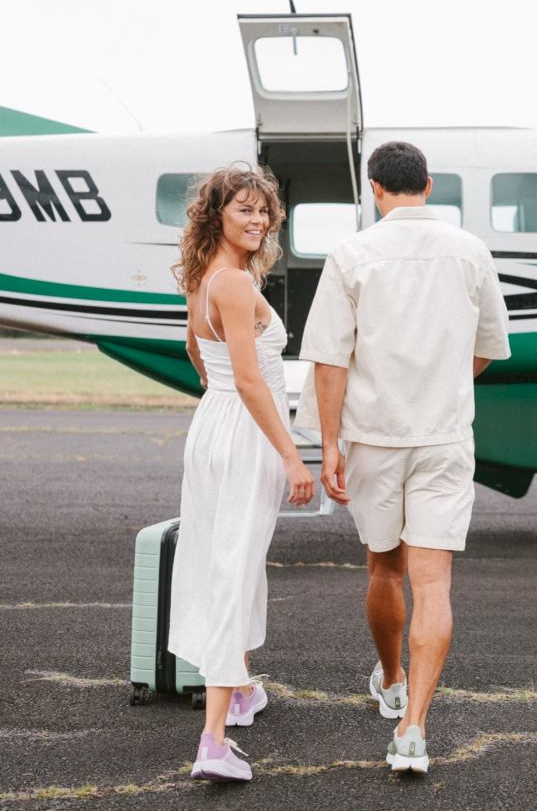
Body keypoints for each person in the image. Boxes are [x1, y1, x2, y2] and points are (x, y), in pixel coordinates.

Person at [295, 141, 510, 773]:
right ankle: (414, 728)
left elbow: (330, 358)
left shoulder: (352, 254)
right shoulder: (471, 251)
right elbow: (488, 348)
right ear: (429, 184)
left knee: (384, 571)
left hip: (374, 438)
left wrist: (327, 443)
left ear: (375, 189)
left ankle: (390, 682)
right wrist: (444, 382)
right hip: (443, 436)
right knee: (434, 583)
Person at [169, 164, 315, 782]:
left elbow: (194, 349)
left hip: (214, 425)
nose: (257, 221)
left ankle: (243, 688)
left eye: (264, 211)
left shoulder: (207, 276)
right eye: (244, 210)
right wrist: (289, 452)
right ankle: (213, 740)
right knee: (233, 565)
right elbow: (253, 380)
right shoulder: (232, 282)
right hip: (245, 432)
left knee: (228, 557)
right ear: (218, 215)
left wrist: (220, 392)